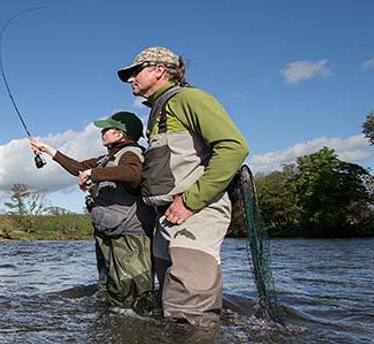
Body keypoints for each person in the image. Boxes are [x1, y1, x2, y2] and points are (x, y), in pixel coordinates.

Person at [116, 46, 249, 328]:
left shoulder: (190, 98)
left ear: (159, 70)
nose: (130, 79)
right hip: (168, 215)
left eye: (135, 71)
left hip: (195, 211)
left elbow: (233, 148)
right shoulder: (157, 110)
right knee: (169, 305)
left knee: (190, 311)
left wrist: (189, 202)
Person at [30, 111, 155, 310]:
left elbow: (133, 174)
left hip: (130, 235)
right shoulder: (107, 158)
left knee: (133, 292)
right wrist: (46, 149)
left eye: (107, 129)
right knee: (111, 289)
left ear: (120, 134)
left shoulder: (131, 153)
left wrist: (92, 173)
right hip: (110, 231)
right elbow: (77, 167)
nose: (102, 132)